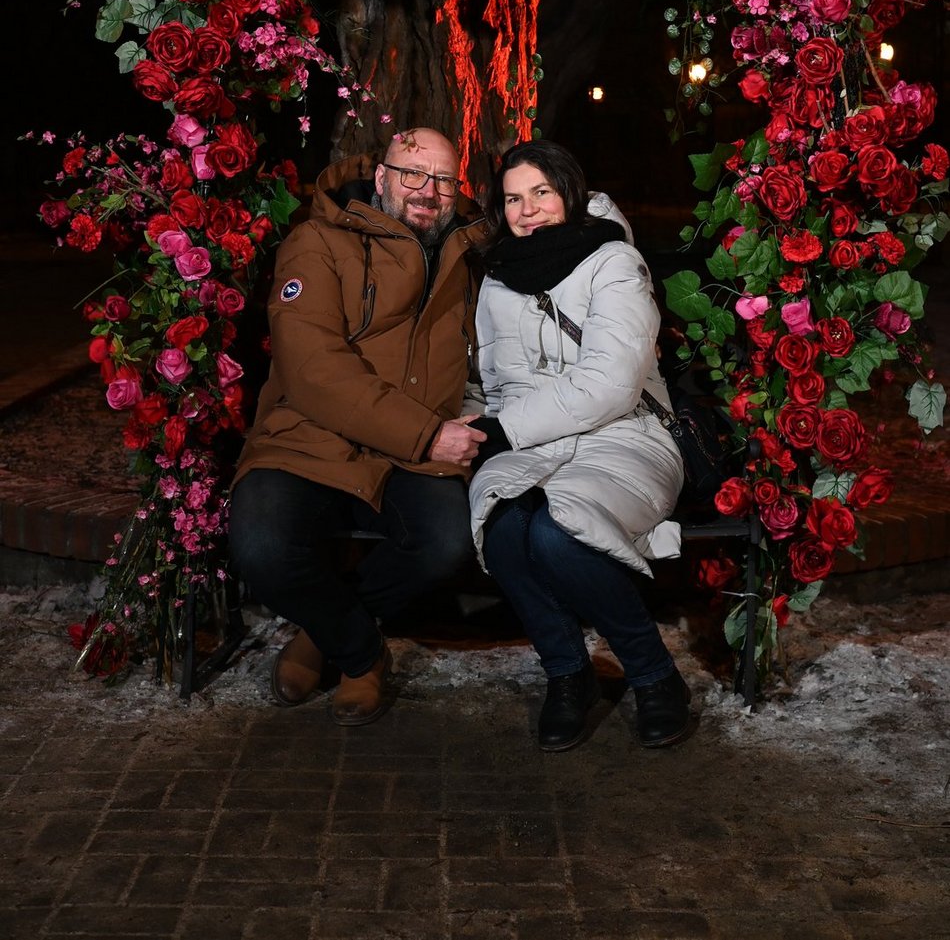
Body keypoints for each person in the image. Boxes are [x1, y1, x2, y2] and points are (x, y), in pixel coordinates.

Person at [228, 127, 488, 725]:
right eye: (413, 174)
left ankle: (320, 635)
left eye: (444, 180)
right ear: (381, 178)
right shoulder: (317, 241)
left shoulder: (468, 255)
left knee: (445, 542)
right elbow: (313, 369)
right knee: (263, 546)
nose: (429, 190)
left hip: (408, 454)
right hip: (313, 435)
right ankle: (360, 652)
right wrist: (427, 435)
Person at [465, 139, 691, 752]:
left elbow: (611, 383)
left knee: (557, 534)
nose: (527, 210)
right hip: (532, 438)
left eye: (540, 192)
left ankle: (653, 675)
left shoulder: (613, 262)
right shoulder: (498, 273)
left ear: (569, 190)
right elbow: (492, 380)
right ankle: (568, 674)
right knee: (505, 524)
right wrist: (468, 424)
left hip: (625, 434)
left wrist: (501, 431)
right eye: (513, 198)